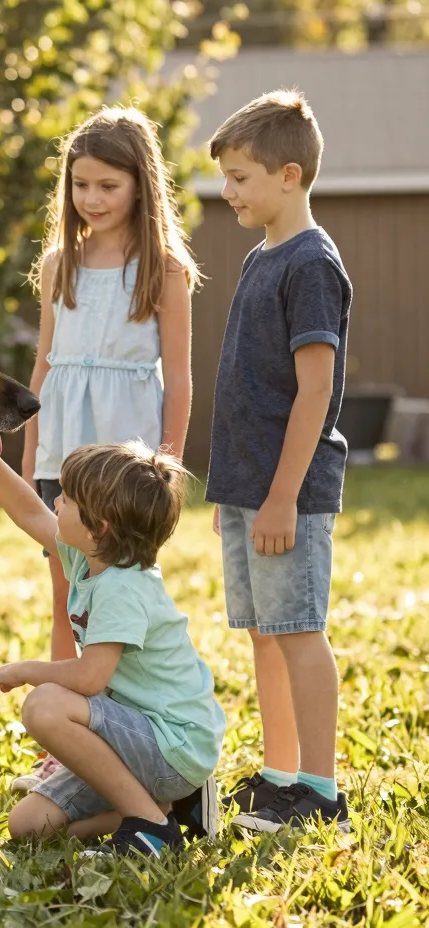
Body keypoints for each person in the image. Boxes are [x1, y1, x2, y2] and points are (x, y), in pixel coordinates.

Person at [14, 106, 198, 792]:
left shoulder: (164, 270)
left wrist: (170, 459)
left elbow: (177, 377)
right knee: (65, 590)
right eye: (80, 186)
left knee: (116, 593)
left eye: (107, 187)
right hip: (61, 447)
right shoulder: (59, 263)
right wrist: (33, 454)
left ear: (140, 187)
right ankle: (62, 743)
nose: (91, 199)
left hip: (126, 455)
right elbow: (44, 365)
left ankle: (118, 727)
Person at [207, 90, 352, 833]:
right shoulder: (263, 256)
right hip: (249, 489)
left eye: (240, 178)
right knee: (265, 632)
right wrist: (238, 492)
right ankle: (280, 776)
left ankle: (322, 794)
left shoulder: (311, 263)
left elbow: (316, 389)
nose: (227, 191)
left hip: (285, 493)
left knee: (297, 629)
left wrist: (281, 496)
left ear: (289, 175)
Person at [0, 442, 225, 856]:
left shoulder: (122, 587)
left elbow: (89, 678)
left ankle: (151, 829)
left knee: (45, 706)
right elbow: (29, 513)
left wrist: (24, 670)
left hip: (173, 745)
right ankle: (173, 812)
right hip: (135, 739)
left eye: (68, 498)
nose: (56, 501)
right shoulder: (91, 558)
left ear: (100, 526)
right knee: (28, 826)